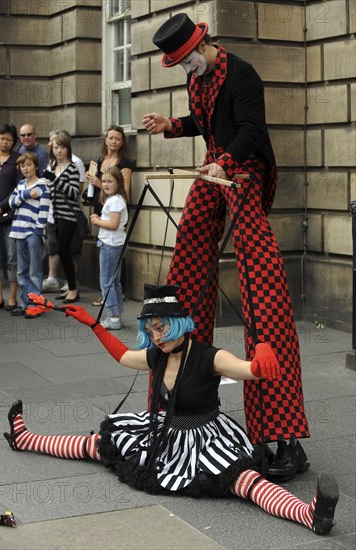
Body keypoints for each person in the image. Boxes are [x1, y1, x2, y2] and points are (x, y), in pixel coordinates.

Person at [3, 284, 338, 537]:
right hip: (166, 431)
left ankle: (309, 514)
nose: (156, 337)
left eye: (161, 328)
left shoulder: (208, 356)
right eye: (150, 331)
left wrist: (260, 366)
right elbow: (123, 357)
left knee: (244, 481)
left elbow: (243, 368)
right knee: (97, 443)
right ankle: (25, 438)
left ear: (178, 323)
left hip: (206, 437)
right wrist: (94, 326)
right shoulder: (157, 355)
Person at [142, 13, 309, 480]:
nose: (186, 70)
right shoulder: (199, 77)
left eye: (186, 61)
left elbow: (252, 129)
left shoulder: (243, 73)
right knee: (188, 259)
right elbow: (204, 120)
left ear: (203, 46)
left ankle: (286, 440)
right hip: (212, 171)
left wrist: (227, 163)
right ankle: (180, 405)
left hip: (244, 173)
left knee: (262, 290)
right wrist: (171, 125)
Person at [85, 124, 133, 306]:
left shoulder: (125, 164)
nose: (113, 141)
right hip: (101, 208)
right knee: (105, 260)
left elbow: (125, 193)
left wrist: (98, 183)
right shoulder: (99, 160)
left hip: (114, 212)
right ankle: (108, 297)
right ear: (105, 140)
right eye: (111, 137)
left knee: (112, 261)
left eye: (117, 138)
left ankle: (114, 301)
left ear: (122, 142)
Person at [42, 129, 87, 294]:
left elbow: (74, 192)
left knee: (64, 250)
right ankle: (71, 288)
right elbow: (52, 189)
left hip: (69, 215)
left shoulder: (73, 167)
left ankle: (73, 288)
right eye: (55, 147)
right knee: (61, 250)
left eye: (61, 147)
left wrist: (55, 181)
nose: (58, 150)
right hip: (55, 215)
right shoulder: (53, 166)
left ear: (67, 148)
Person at [8, 152, 50, 318]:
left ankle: (35, 304)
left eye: (29, 165)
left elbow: (44, 210)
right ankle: (25, 302)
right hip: (18, 231)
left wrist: (38, 231)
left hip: (33, 233)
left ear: (36, 166)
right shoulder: (20, 185)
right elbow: (11, 203)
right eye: (22, 166)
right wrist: (26, 194)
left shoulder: (42, 186)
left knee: (34, 271)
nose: (25, 168)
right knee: (22, 271)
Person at [90, 166, 128, 330]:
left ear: (118, 182)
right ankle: (116, 315)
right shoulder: (115, 199)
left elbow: (113, 224)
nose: (105, 184)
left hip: (111, 243)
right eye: (103, 181)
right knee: (114, 281)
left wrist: (97, 221)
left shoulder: (115, 201)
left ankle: (113, 318)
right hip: (114, 243)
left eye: (109, 181)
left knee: (107, 282)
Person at [0, 123, 21, 311]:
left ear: (14, 142)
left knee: (12, 254)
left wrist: (0, 206)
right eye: (2, 138)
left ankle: (12, 298)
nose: (5, 142)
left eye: (9, 139)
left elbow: (19, 188)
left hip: (10, 214)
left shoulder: (18, 160)